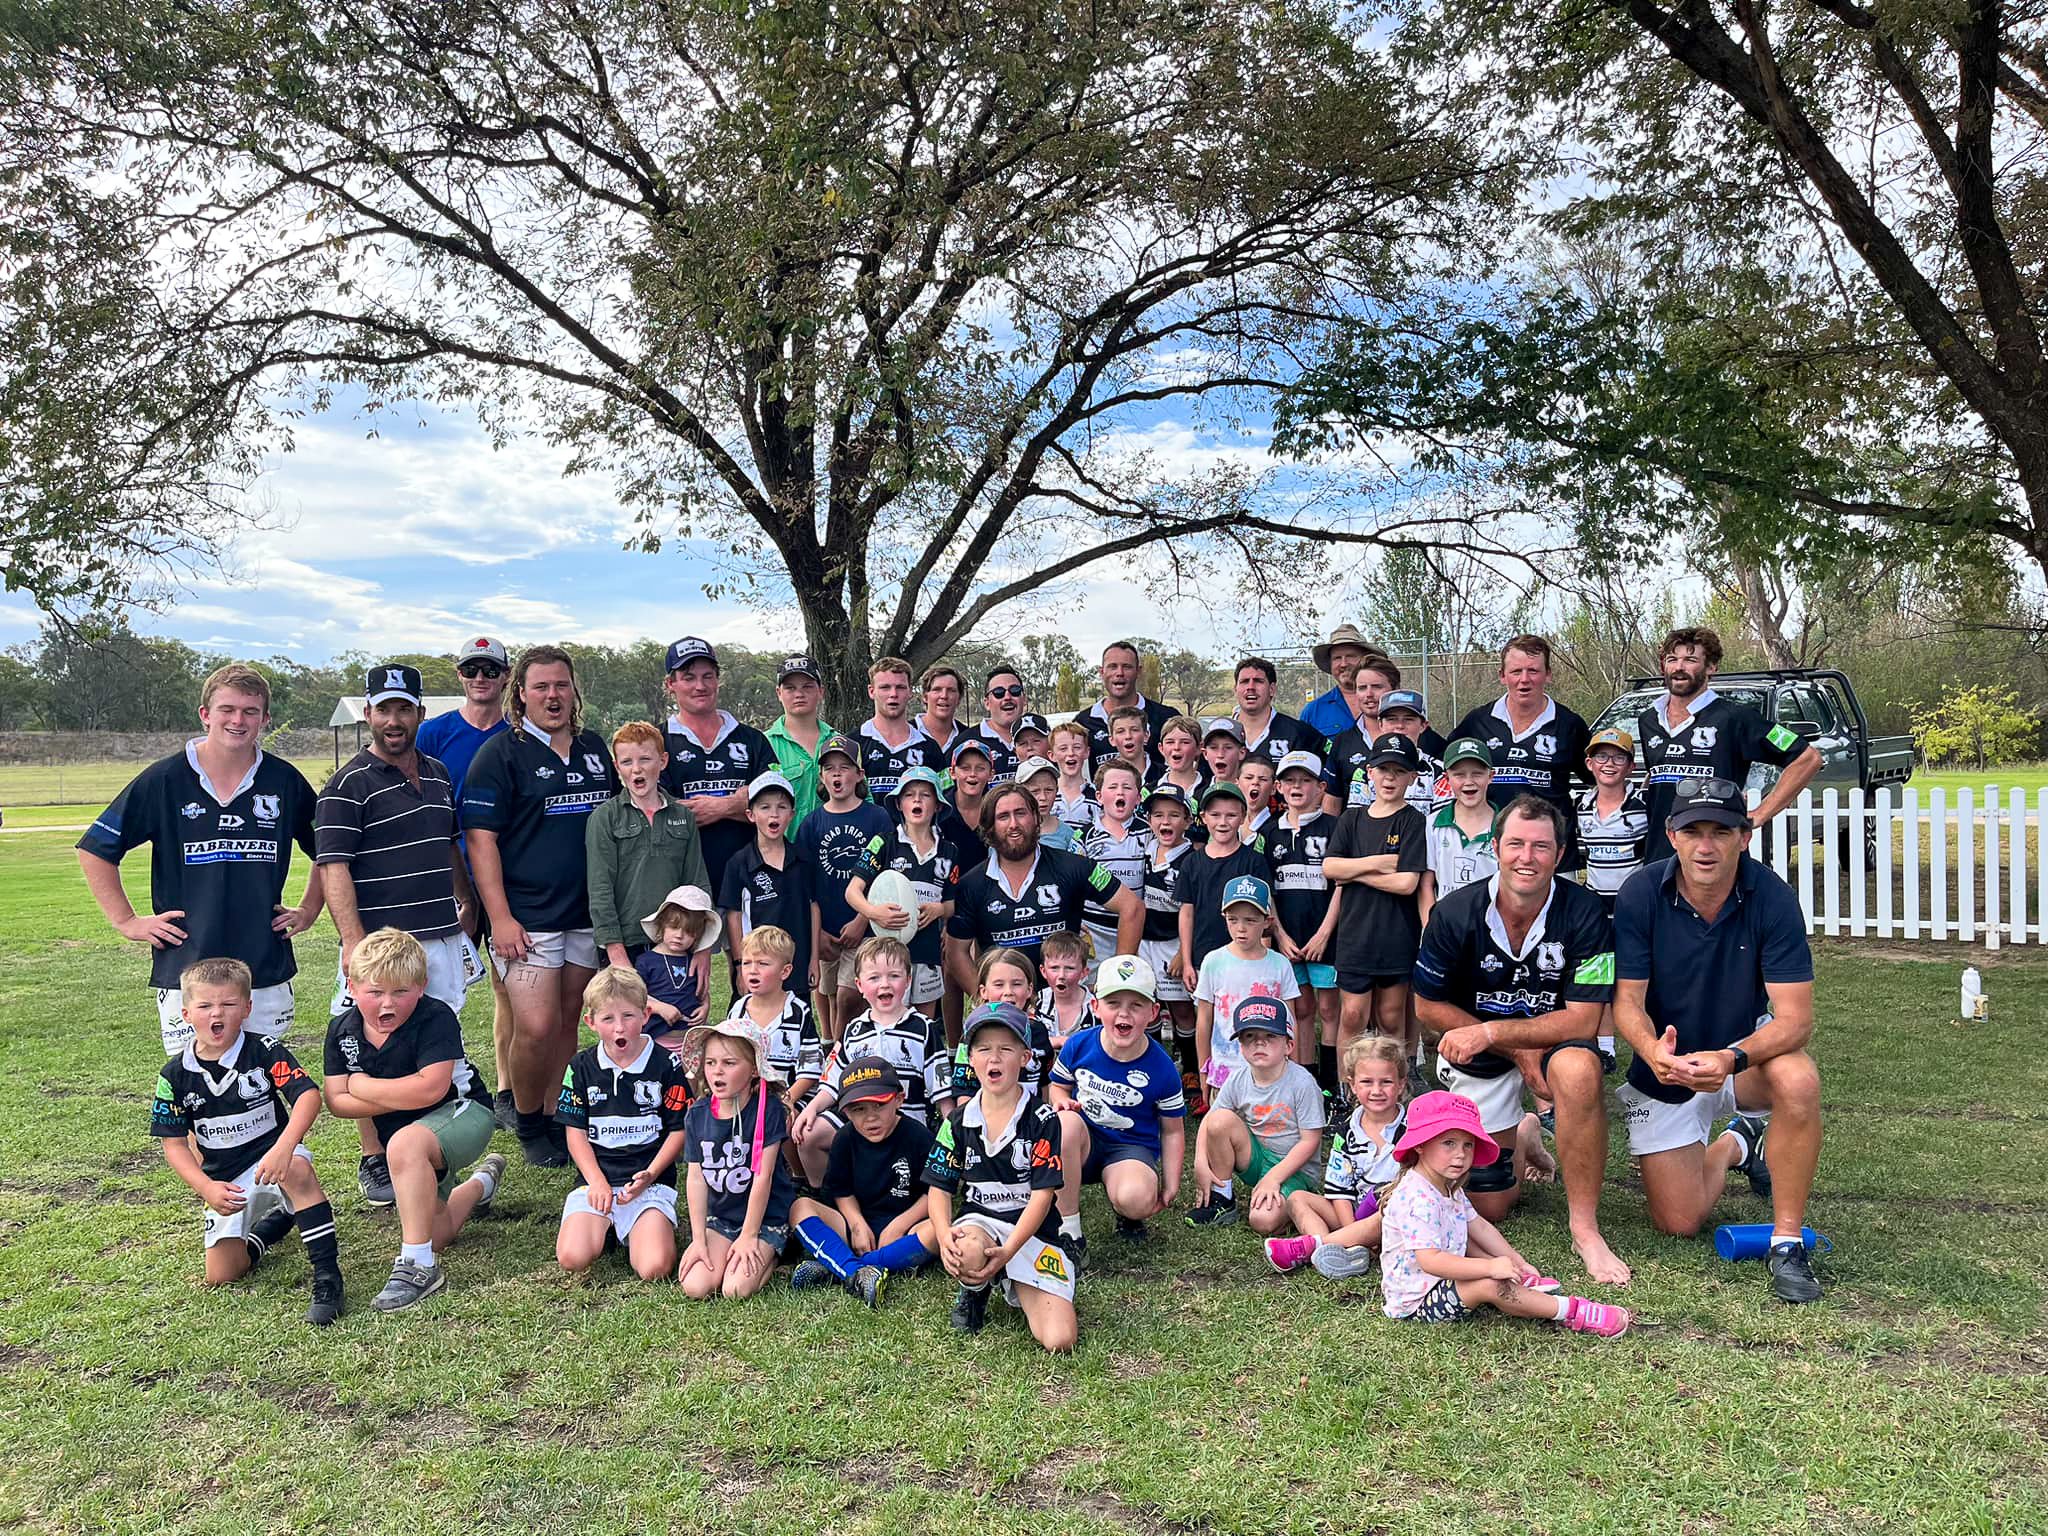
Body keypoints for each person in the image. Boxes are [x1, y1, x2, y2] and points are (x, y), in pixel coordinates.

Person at [1613, 777, 1825, 1303]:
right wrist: (1651, 1051)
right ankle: (1738, 1143)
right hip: (1666, 1065)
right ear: (1672, 835)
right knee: (1679, 1221)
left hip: (1741, 1057)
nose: (1705, 846)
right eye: (1693, 832)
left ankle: (1786, 1243)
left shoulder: (1773, 897)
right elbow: (1627, 1003)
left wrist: (1731, 1058)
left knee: (1799, 1079)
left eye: (1721, 832)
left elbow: (1795, 1021)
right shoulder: (1640, 892)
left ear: (1744, 836)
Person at [1412, 794, 1627, 1285]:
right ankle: (1527, 1133)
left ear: (1560, 853)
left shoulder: (1588, 912)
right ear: (1495, 847)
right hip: (1481, 1047)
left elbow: (1585, 1019)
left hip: (1547, 1040)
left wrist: (1497, 1032)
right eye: (1515, 844)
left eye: (1541, 846)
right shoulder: (1452, 912)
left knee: (1579, 1070)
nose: (1526, 857)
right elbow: (1426, 1006)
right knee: (1491, 1205)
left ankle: (1585, 1229)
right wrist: (1509, 1047)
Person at [78, 662, 322, 1056]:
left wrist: (310, 908)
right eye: (227, 709)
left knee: (262, 1079)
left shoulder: (284, 780)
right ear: (205, 714)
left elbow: (329, 850)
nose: (238, 720)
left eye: (250, 711)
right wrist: (126, 921)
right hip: (186, 971)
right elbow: (96, 849)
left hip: (263, 966)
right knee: (193, 1082)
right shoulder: (165, 779)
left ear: (264, 719)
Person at [316, 661, 481, 1209]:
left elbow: (448, 843)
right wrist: (352, 941)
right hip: (381, 948)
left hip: (438, 935)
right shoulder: (346, 785)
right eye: (383, 709)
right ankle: (376, 1156)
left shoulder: (437, 773)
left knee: (436, 1042)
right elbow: (333, 866)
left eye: (403, 709)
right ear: (368, 713)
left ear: (419, 713)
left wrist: (465, 898)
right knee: (373, 1048)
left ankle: (432, 1158)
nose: (393, 720)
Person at [463, 644, 617, 1167]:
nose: (553, 695)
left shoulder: (594, 748)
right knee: (535, 1027)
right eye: (541, 687)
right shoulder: (501, 753)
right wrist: (500, 918)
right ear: (521, 694)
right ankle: (527, 1119)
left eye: (561, 685)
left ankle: (555, 1114)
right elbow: (480, 841)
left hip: (585, 914)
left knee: (571, 1020)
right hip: (528, 917)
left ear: (574, 690)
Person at [149, 956, 344, 1324]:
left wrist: (284, 1147)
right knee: (222, 1274)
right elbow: (173, 1145)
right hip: (226, 1178)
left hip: (274, 1158)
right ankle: (274, 1225)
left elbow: (307, 1096)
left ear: (247, 1008)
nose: (216, 1013)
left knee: (297, 1170)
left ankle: (328, 1279)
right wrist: (206, 1187)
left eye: (228, 1003)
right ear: (186, 1014)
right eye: (205, 1006)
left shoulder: (264, 1049)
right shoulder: (174, 1075)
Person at [322, 929, 505, 1311]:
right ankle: (481, 1184)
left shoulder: (435, 1016)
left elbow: (431, 1090)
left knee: (404, 1143)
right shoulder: (342, 1029)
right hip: (411, 1135)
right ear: (352, 987)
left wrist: (363, 1086)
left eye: (401, 992)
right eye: (375, 992)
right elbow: (336, 1101)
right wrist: (398, 1096)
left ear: (421, 988)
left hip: (463, 1111)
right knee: (437, 1232)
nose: (387, 1003)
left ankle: (418, 1265)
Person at [1377, 1091, 1631, 1336]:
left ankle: (1519, 1280)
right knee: (1491, 1284)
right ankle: (1571, 1311)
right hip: (1419, 1302)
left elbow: (1479, 1226)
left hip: (1442, 1277)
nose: (1461, 1154)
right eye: (1448, 1143)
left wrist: (1516, 1261)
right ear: (1420, 1145)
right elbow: (1431, 1261)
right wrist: (1490, 1266)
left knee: (1472, 1242)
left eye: (1468, 1144)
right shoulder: (1417, 1199)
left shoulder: (1446, 1185)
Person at [925, 1001, 1078, 1351]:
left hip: (1030, 1231)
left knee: (1060, 1340)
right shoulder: (957, 1121)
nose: (994, 1058)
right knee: (967, 1248)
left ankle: (1014, 1273)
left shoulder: (1042, 1119)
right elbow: (939, 1187)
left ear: (1024, 1058)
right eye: (983, 1049)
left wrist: (1008, 1251)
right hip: (982, 1223)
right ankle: (975, 1288)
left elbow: (1043, 1197)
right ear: (970, 1059)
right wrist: (944, 1235)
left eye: (1006, 1049)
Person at [417, 636, 515, 1130]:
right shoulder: (433, 733)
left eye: (490, 670)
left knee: (508, 987)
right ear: (459, 674)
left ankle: (506, 1089)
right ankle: (436, 1084)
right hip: (444, 879)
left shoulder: (517, 734)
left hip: (502, 878)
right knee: (436, 989)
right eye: (472, 669)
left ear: (505, 677)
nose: (480, 678)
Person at [1637, 626, 1822, 863]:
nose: (1679, 667)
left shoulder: (1737, 718)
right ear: (1664, 665)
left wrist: (1760, 814)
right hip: (1659, 857)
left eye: (1690, 660)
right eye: (1672, 659)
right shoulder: (1648, 720)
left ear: (1711, 667)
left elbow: (1808, 758)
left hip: (1714, 857)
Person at [555, 967, 692, 1282]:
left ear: (645, 1015)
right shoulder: (580, 1067)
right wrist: (596, 1182)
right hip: (597, 1181)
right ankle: (608, 1228)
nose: (620, 1027)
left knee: (654, 1268)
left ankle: (641, 1227)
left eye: (628, 1016)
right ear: (590, 1022)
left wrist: (650, 1175)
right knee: (572, 1258)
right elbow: (575, 1134)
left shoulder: (667, 1064)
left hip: (648, 1183)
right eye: (608, 1019)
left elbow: (678, 1131)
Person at [1047, 954, 1186, 1244]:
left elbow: (1173, 1130)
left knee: (1136, 1198)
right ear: (1095, 1007)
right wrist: (1060, 1102)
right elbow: (1058, 1087)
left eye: (1136, 1005)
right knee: (1064, 1123)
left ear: (1153, 1012)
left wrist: (1171, 1183)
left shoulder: (1162, 1068)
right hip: (1082, 1142)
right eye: (1113, 1003)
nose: (1124, 1014)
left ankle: (1127, 1210)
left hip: (1129, 1147)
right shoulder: (1079, 1044)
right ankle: (1069, 1229)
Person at [943, 784, 1140, 986]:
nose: (1013, 824)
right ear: (989, 826)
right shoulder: (970, 885)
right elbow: (956, 953)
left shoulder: (1075, 866)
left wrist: (1117, 979)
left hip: (1064, 997)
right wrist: (984, 997)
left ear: (1037, 818)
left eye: (1020, 813)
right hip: (1006, 1001)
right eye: (1003, 817)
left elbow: (1132, 907)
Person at [792, 937, 954, 1172]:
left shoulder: (924, 1029)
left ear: (908, 980)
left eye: (894, 976)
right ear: (859, 985)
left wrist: (953, 1129)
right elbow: (832, 1082)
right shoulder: (853, 1031)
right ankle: (826, 1189)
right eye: (874, 978)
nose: (884, 984)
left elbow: (942, 1092)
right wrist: (812, 1108)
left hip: (906, 1120)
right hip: (859, 1117)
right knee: (810, 1135)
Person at [787, 1055, 938, 1308]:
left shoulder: (919, 1137)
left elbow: (932, 1193)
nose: (870, 1118)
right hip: (855, 1226)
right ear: (845, 1111)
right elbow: (841, 1190)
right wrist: (856, 1224)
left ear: (899, 1099)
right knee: (800, 1206)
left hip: (904, 1227)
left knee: (937, 1230)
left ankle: (840, 1267)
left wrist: (900, 1224)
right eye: (858, 1110)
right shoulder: (844, 1139)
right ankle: (855, 1272)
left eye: (879, 1105)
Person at [1266, 1035, 1409, 1277]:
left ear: (1401, 1084)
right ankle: (1341, 1250)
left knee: (1390, 1207)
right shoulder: (1346, 1132)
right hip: (1353, 1213)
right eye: (1367, 1082)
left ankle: (1318, 1247)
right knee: (1297, 1199)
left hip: (1395, 1216)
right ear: (1352, 1085)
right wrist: (1354, 1230)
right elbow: (1339, 1191)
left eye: (1386, 1082)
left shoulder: (1412, 1128)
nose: (1376, 1091)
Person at [1321, 733, 1427, 1061]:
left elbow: (1407, 883)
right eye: (1383, 769)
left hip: (1396, 935)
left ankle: (1396, 1081)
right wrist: (1378, 864)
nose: (1390, 778)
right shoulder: (1351, 819)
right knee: (1353, 1015)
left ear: (1412, 777)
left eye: (1399, 771)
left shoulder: (1413, 820)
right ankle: (1347, 1084)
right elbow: (1330, 867)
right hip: (1355, 936)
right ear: (1369, 772)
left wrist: (1353, 873)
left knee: (1391, 1017)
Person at [677, 1016, 795, 1300]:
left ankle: (776, 1252)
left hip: (764, 1219)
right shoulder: (697, 1114)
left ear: (754, 1069)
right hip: (722, 1217)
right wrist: (698, 1239)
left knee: (735, 1289)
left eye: (729, 1063)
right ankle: (730, 1250)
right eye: (710, 1062)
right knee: (695, 1286)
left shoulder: (768, 1111)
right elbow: (696, 1179)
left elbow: (763, 1177)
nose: (717, 1071)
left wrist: (749, 1236)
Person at [1187, 996, 1325, 1234]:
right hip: (1257, 1158)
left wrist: (1274, 1178)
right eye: (1250, 1036)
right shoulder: (1239, 1078)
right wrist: (1200, 1160)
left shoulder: (1302, 1083)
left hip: (1294, 1169)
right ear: (1240, 1046)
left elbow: (1310, 1141)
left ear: (1289, 1046)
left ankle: (1294, 1202)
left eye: (1270, 1036)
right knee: (1220, 1120)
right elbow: (1211, 1119)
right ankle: (1223, 1198)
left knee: (1262, 1221)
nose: (1259, 1043)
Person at [585, 720, 712, 975]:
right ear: (616, 767)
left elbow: (697, 882)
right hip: (626, 943)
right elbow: (600, 889)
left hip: (675, 941)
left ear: (663, 761)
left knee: (679, 1002)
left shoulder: (683, 816)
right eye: (627, 762)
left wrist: (703, 948)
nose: (636, 769)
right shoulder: (605, 818)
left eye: (645, 759)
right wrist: (615, 952)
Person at [1448, 635, 1591, 854]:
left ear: (1548, 674)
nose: (1524, 679)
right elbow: (1445, 764)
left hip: (1552, 853)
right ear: (1502, 676)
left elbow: (1597, 779)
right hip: (1491, 850)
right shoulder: (1478, 722)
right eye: (1516, 671)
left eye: (1533, 671)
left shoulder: (1569, 725)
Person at [659, 636, 774, 899]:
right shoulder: (657, 742)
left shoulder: (753, 739)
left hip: (751, 885)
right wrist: (742, 801)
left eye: (707, 676)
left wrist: (722, 807)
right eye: (689, 678)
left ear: (718, 680)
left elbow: (773, 807)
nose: (700, 686)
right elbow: (663, 816)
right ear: (670, 684)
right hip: (683, 890)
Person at [797, 733, 894, 1036]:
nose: (837, 775)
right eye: (829, 769)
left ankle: (841, 1047)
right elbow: (805, 883)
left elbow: (887, 875)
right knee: (827, 992)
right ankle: (829, 1042)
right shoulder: (811, 823)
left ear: (859, 774)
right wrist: (817, 932)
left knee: (849, 995)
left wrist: (863, 919)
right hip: (827, 929)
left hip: (865, 927)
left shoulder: (877, 818)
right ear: (821, 777)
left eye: (844, 767)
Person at [846, 764, 960, 1015]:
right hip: (886, 954)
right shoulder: (883, 843)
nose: (917, 800)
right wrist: (874, 913)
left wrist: (940, 909)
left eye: (925, 795)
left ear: (938, 805)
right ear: (899, 804)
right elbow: (852, 891)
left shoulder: (949, 851)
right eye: (909, 795)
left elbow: (952, 904)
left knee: (924, 1020)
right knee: (885, 1016)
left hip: (927, 952)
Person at [1267, 750, 1342, 1087]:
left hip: (1325, 939)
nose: (1297, 787)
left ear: (1321, 787)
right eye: (1290, 781)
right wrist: (1280, 935)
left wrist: (1325, 933)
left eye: (1306, 780)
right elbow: (1267, 889)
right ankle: (1306, 1080)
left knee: (1329, 1010)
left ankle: (1332, 1083)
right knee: (1301, 1009)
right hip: (1289, 940)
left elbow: (1342, 886)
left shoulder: (1335, 828)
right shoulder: (1270, 833)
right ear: (1279, 787)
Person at [1191, 874, 1300, 1104]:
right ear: (1224, 917)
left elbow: (1290, 1020)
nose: (1241, 928)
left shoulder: (1280, 965)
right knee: (1224, 1125)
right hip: (1225, 1073)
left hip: (1270, 1071)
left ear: (1267, 921)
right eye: (1233, 919)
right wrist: (1203, 1070)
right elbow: (1204, 1020)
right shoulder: (1213, 961)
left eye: (1250, 920)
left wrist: (1295, 1070)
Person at [1173, 781, 1272, 999]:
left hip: (1245, 959)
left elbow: (1264, 915)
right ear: (1203, 817)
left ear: (1243, 816)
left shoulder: (1254, 861)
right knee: (1206, 1014)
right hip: (1202, 959)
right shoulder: (1191, 863)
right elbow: (1186, 913)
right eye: (1215, 815)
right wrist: (1187, 962)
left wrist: (1262, 962)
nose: (1223, 822)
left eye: (1231, 815)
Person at [724, 925, 823, 1124]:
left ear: (785, 971)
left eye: (763, 963)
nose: (753, 970)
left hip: (791, 1097)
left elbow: (811, 1070)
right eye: (746, 963)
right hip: (746, 1099)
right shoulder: (738, 1011)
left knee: (782, 1122)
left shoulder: (798, 1013)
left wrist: (785, 1101)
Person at [1138, 784, 1197, 1055]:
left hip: (1173, 942)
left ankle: (1190, 1068)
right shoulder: (1146, 849)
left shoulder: (1191, 859)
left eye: (1174, 815)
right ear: (1149, 819)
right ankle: (1155, 1060)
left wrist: (1183, 954)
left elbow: (1194, 910)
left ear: (1187, 820)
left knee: (1181, 1008)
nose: (1166, 821)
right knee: (1146, 1003)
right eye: (1158, 815)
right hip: (1144, 940)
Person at [1074, 761, 1148, 964]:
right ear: (1099, 796)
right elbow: (1073, 884)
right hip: (1094, 929)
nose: (1120, 792)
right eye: (1113, 787)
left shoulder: (1149, 833)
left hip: (1138, 928)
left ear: (1138, 797)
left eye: (1127, 787)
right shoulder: (1083, 836)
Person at [1419, 737, 1498, 926]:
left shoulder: (1506, 825)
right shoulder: (1432, 824)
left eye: (1477, 774)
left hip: (1491, 927)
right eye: (1459, 775)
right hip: (1447, 926)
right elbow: (1426, 885)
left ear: (1491, 776)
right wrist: (1431, 930)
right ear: (1446, 779)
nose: (1468, 782)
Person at [632, 885, 718, 1042]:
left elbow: (702, 991)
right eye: (674, 927)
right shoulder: (646, 961)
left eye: (688, 931)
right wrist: (659, 1008)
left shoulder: (694, 960)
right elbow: (634, 997)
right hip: (658, 1038)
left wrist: (705, 1006)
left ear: (698, 935)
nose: (679, 935)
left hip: (691, 1037)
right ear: (662, 925)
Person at [1577, 727, 1649, 913]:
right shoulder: (1581, 806)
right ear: (1589, 763)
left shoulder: (1644, 805)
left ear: (1631, 766)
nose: (1609, 763)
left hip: (1634, 904)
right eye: (1601, 757)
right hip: (1595, 906)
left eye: (1619, 758)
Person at [1320, 654, 1401, 814]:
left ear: (1395, 689)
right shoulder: (1342, 742)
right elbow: (1332, 802)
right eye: (1362, 688)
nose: (1369, 694)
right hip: (1354, 829)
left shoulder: (1417, 737)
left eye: (1377, 687)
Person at [1080, 640, 1178, 771]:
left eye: (1127, 667)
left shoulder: (1166, 718)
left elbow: (1195, 760)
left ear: (1138, 671)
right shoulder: (1083, 723)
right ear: (1101, 672)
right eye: (1113, 666)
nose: (1119, 673)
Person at [765, 654, 836, 829]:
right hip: (783, 845)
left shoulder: (840, 742)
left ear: (821, 691)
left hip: (834, 843)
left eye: (807, 687)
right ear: (779, 693)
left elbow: (863, 798)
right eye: (790, 688)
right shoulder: (763, 745)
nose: (799, 694)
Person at [856, 656, 940, 801]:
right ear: (871, 691)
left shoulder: (929, 748)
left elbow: (943, 798)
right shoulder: (853, 744)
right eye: (885, 687)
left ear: (910, 691)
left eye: (900, 687)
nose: (893, 694)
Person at [1299, 623, 1382, 741]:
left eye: (1350, 656)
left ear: (1366, 660)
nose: (1343, 664)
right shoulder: (1313, 712)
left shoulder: (1389, 703)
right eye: (1337, 658)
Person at [1233, 656, 1314, 770]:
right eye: (1244, 681)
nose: (1250, 687)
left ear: (1272, 689)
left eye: (1258, 681)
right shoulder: (1217, 734)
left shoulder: (1299, 733)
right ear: (1235, 689)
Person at [1377, 689, 1447, 818]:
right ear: (1380, 724)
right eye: (1392, 719)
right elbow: (1357, 822)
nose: (1400, 726)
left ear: (1423, 725)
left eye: (1408, 719)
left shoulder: (1439, 772)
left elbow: (1441, 823)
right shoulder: (1367, 771)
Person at [1034, 930, 1095, 1051]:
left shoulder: (1096, 1009)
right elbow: (1025, 1042)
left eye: (1069, 968)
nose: (1061, 975)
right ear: (1043, 971)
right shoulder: (1036, 1003)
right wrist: (1058, 1041)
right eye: (1054, 968)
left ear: (1084, 972)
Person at [974, 667, 1029, 785]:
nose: (1007, 697)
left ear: (1024, 699)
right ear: (987, 703)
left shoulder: (1044, 739)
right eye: (998, 692)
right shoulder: (966, 741)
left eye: (1015, 690)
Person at [1048, 721, 1100, 838]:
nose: (1071, 753)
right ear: (1052, 755)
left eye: (1077, 747)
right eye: (1063, 748)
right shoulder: (1045, 795)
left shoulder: (1099, 796)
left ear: (1087, 752)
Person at [1015, 755, 1072, 850]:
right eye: (1035, 791)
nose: (1043, 797)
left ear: (1057, 790)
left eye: (1049, 790)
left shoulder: (1068, 834)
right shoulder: (1007, 832)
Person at [915, 663, 968, 762]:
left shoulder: (968, 738)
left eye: (951, 690)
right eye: (937, 689)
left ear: (959, 698)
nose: (944, 696)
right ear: (925, 697)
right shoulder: (905, 733)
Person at [1199, 717, 1249, 790]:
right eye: (1213, 748)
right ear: (1205, 753)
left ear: (1242, 752)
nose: (1220, 755)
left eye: (1228, 747)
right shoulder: (1198, 795)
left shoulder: (1251, 794)